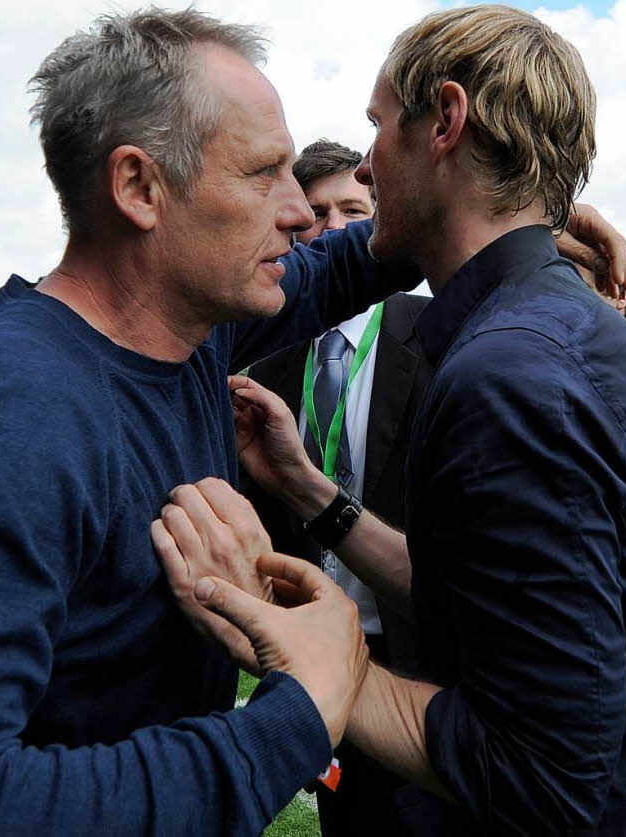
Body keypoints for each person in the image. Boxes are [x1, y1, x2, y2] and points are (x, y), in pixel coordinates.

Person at [0, 11, 420, 835]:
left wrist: (521, 220)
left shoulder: (194, 332)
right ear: (139, 187)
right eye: (262, 173)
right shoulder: (10, 413)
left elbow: (349, 262)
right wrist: (295, 715)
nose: (299, 210)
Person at [155, 6, 626, 835]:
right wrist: (316, 493)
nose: (370, 167)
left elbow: (543, 774)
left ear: (445, 121)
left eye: (379, 126)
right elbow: (486, 600)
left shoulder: (511, 374)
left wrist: (319, 661)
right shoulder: (552, 330)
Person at [245, 139, 432, 836]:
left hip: (418, 655)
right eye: (316, 213)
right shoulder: (261, 356)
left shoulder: (440, 333)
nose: (333, 229)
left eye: (353, 210)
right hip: (317, 651)